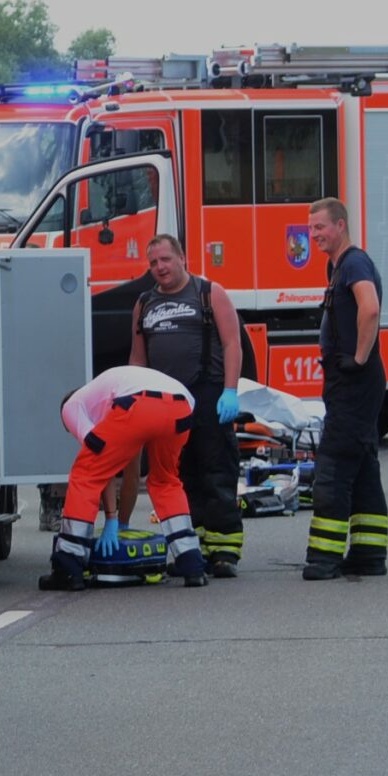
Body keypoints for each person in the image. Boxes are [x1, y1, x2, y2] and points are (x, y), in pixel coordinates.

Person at [129, 235, 245, 576]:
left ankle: (224, 552)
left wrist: (230, 390)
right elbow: (138, 357)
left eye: (165, 259)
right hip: (166, 403)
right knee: (177, 477)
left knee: (216, 471)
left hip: (208, 394)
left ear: (182, 258)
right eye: (153, 263)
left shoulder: (209, 293)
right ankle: (188, 550)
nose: (160, 268)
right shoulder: (144, 303)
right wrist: (134, 398)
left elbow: (232, 343)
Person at [38, 364, 210, 591]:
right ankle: (191, 563)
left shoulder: (71, 407)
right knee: (165, 481)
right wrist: (120, 522)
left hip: (138, 405)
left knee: (84, 474)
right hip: (181, 405)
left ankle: (68, 566)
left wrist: (111, 519)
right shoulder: (110, 395)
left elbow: (100, 469)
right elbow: (130, 470)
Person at [302, 198, 388, 580]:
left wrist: (359, 357)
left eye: (320, 227)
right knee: (363, 464)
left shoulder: (353, 262)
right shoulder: (338, 266)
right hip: (350, 381)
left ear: (340, 225)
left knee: (334, 465)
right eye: (311, 228)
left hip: (355, 380)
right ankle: (369, 554)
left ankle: (324, 559)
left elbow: (369, 308)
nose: (314, 235)